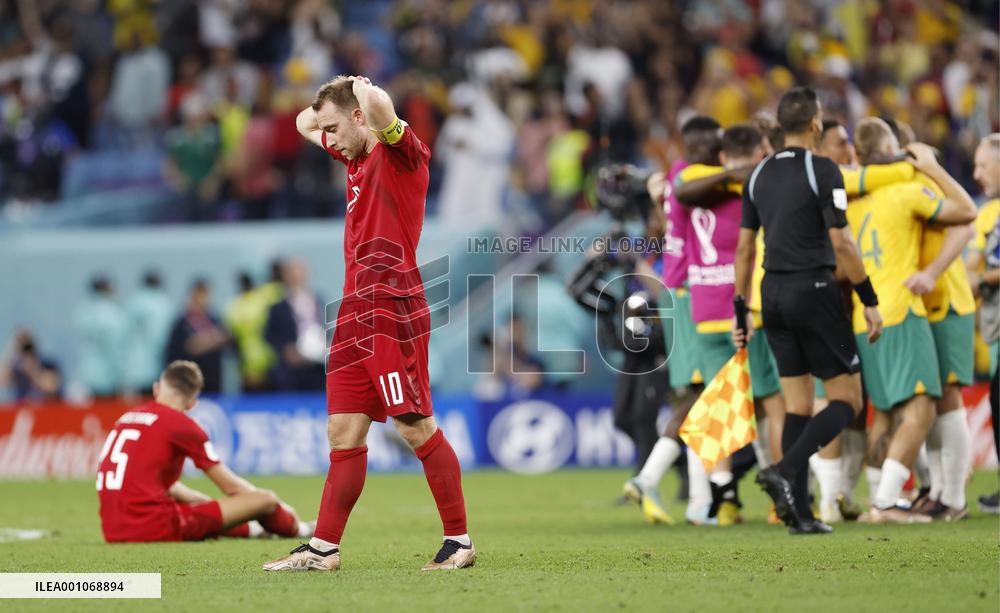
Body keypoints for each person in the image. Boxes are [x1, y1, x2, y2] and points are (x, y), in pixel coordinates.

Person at [264, 75, 473, 572]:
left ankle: (459, 542)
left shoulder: (403, 154)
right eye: (328, 131)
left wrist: (361, 89)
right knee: (342, 430)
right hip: (354, 308)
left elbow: (378, 105)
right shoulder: (352, 156)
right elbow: (301, 121)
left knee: (414, 425)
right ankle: (323, 549)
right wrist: (333, 105)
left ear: (360, 117)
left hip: (392, 304)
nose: (328, 140)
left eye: (335, 129)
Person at [733, 87, 883, 535]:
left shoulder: (757, 176)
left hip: (771, 294)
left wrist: (741, 307)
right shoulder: (823, 170)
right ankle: (785, 470)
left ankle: (799, 514)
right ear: (816, 123)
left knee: (797, 405)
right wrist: (869, 298)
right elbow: (843, 243)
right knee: (847, 399)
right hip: (813, 291)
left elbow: (744, 249)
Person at [845, 118, 977, 523]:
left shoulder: (856, 193)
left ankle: (945, 495)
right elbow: (967, 214)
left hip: (934, 301)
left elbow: (966, 229)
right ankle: (916, 496)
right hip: (907, 303)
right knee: (924, 406)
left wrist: (935, 271)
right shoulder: (904, 186)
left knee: (937, 400)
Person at [622, 116, 721, 527]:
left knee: (698, 402)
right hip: (693, 300)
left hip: (682, 301)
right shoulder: (693, 187)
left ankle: (701, 501)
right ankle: (660, 482)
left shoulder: (676, 188)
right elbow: (652, 247)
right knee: (705, 400)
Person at [97, 360, 313, 542]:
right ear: (192, 403)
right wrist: (280, 509)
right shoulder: (181, 425)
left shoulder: (126, 418)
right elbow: (232, 487)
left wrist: (208, 505)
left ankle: (257, 531)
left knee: (203, 510)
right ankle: (301, 529)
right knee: (265, 499)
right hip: (151, 526)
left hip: (112, 528)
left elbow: (171, 488)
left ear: (156, 389)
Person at [966, 133, 1000, 513]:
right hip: (993, 324)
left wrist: (982, 280)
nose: (976, 173)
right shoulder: (988, 213)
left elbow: (980, 273)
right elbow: (973, 264)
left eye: (983, 164)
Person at [264, 259, 326, 392]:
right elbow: (269, 335)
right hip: (291, 372)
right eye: (293, 272)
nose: (297, 276)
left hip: (318, 367)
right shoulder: (277, 306)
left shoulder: (319, 301)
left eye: (300, 271)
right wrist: (286, 350)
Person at [165, 279, 229, 394]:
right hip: (189, 386)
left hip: (213, 383)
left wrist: (204, 342)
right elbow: (187, 347)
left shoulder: (214, 319)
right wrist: (210, 340)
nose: (204, 301)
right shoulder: (182, 323)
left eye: (206, 296)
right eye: (200, 296)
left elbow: (225, 338)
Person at [123, 271, 174, 395]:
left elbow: (125, 334)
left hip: (135, 365)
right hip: (158, 363)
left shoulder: (134, 302)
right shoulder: (164, 303)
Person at [0, 329, 61, 401]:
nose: (27, 353)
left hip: (44, 409)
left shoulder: (47, 364)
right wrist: (12, 351)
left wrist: (33, 371)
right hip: (22, 409)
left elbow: (52, 387)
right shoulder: (17, 369)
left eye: (29, 347)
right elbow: (2, 381)